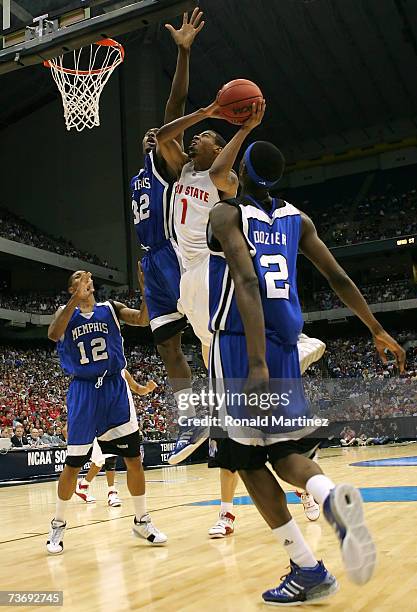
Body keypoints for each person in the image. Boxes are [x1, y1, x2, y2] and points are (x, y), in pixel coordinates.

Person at [207, 140, 405, 603]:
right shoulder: (298, 219)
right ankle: (332, 497)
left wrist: (253, 361)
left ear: (241, 173)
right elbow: (337, 277)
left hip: (243, 346)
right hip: (285, 346)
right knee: (284, 453)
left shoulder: (226, 215)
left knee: (244, 461)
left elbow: (247, 280)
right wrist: (376, 328)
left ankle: (306, 567)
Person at [157, 100, 326, 534]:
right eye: (199, 137)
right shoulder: (181, 173)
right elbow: (163, 135)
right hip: (186, 270)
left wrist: (241, 129)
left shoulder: (226, 181)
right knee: (204, 351)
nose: (199, 138)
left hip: (214, 267)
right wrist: (210, 108)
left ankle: (200, 420)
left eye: (209, 137)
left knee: (219, 354)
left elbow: (222, 172)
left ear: (224, 152)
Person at [45, 270, 166, 554]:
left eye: (85, 278)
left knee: (134, 459)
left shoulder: (110, 309)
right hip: (84, 392)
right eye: (77, 279)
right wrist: (74, 301)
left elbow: (143, 319)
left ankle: (141, 520)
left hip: (114, 389)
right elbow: (53, 334)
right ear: (71, 288)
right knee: (73, 465)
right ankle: (57, 525)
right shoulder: (65, 312)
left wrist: (146, 289)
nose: (84, 280)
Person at [131, 9, 204, 445]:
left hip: (174, 255)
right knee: (167, 347)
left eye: (159, 134)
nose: (152, 135)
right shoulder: (138, 176)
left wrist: (183, 54)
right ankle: (191, 419)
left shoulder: (164, 163)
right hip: (151, 264)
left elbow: (174, 106)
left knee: (207, 332)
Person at [75, 370, 157, 507]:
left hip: (119, 420)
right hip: (100, 422)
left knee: (99, 461)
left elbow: (137, 388)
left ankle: (83, 485)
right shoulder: (94, 373)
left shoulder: (122, 371)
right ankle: (111, 492)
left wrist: (148, 389)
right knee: (107, 457)